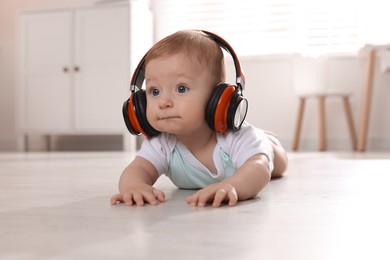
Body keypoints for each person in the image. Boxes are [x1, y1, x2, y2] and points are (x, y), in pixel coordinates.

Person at [111, 30, 288, 208]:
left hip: (259, 144)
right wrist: (134, 185)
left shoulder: (236, 137)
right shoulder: (162, 143)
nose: (163, 102)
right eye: (154, 91)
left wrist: (232, 186)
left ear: (218, 99)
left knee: (277, 164)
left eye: (181, 88)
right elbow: (138, 169)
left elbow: (259, 167)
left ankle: (268, 139)